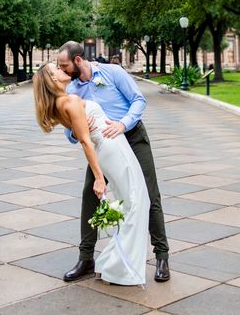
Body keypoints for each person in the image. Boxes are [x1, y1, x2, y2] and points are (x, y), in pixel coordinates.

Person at [57, 41, 170, 283]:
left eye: (64, 65)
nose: (62, 69)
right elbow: (69, 135)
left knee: (149, 195)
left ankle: (162, 256)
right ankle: (86, 258)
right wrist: (78, 132)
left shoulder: (113, 72)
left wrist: (123, 123)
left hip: (132, 137)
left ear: (78, 60)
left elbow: (138, 100)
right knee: (90, 195)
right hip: (104, 148)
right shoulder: (71, 92)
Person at [33, 63, 150, 286]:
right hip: (112, 148)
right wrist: (98, 178)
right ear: (52, 79)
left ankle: (116, 264)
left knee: (130, 203)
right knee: (136, 203)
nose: (61, 70)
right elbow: (85, 142)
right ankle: (119, 267)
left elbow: (83, 135)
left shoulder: (62, 102)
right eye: (56, 69)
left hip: (108, 148)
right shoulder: (71, 101)